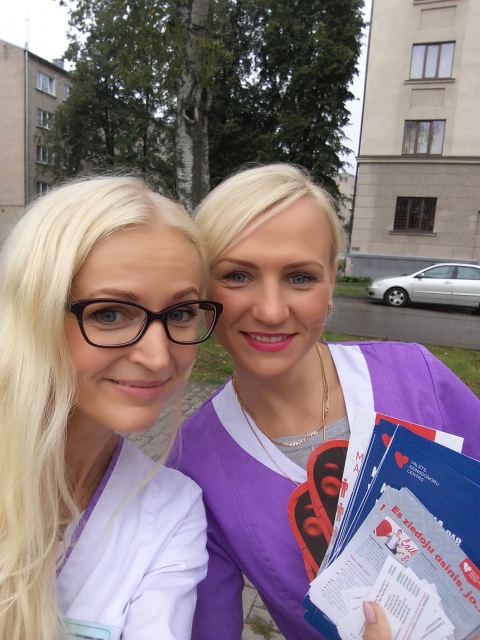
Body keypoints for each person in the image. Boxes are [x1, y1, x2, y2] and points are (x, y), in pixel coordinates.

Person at [167, 164, 480, 640]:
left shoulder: (418, 378)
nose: (271, 311)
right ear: (202, 289)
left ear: (332, 281)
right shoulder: (193, 464)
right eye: (237, 275)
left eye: (299, 277)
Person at [0, 176, 223, 640]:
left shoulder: (169, 512)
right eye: (110, 313)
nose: (158, 357)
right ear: (34, 314)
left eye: (180, 314)